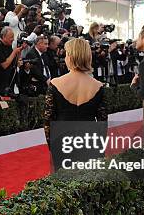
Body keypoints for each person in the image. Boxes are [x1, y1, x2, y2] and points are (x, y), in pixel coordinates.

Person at [44, 38, 106, 171]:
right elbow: (102, 122)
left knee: (63, 186)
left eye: (66, 54)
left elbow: (48, 121)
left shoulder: (55, 83)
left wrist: (52, 146)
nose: (65, 58)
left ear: (71, 57)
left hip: (62, 141)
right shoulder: (98, 86)